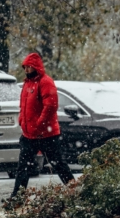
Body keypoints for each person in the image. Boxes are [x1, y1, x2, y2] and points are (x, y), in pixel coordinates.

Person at [11, 52, 75, 197]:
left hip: (46, 135)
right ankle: (16, 198)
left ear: (36, 67)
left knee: (58, 165)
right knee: (23, 168)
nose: (26, 70)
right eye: (25, 67)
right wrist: (22, 120)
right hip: (28, 135)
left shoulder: (45, 82)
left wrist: (39, 124)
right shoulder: (27, 84)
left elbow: (50, 106)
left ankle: (75, 191)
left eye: (29, 67)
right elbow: (23, 106)